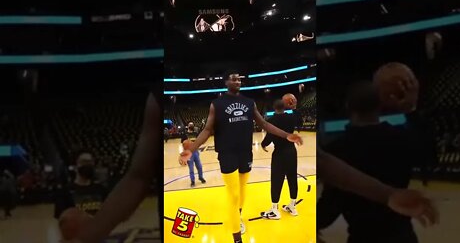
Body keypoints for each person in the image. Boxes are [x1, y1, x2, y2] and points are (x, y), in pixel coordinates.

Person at [65, 78, 438, 243]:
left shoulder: (252, 107)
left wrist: (387, 193)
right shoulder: (189, 100)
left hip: (242, 166)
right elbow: (137, 177)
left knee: (240, 204)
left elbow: (316, 158)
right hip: (222, 171)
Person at [178, 71, 303, 243]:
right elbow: (207, 130)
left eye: (239, 78)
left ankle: (238, 218)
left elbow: (265, 124)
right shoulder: (217, 104)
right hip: (227, 153)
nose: (238, 81)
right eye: (233, 78)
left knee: (242, 193)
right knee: (233, 195)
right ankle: (236, 237)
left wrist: (286, 135)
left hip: (246, 153)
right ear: (226, 82)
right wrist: (191, 149)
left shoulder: (249, 102)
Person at [317, 81, 421, 243]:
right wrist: (411, 107)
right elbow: (428, 154)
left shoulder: (338, 149)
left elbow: (332, 204)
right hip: (403, 235)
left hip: (363, 236)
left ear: (348, 106)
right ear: (380, 105)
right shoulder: (402, 138)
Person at [260, 99, 300, 219]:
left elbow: (269, 137)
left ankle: (274, 210)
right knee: (292, 178)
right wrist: (294, 107)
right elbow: (299, 121)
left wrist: (263, 144)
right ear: (285, 107)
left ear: (274, 108)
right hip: (292, 152)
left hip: (279, 153)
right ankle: (292, 206)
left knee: (276, 180)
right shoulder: (291, 118)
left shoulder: (271, 121)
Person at [54, 152, 107, 219]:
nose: (88, 165)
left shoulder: (101, 189)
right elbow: (61, 219)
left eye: (90, 162)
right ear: (75, 166)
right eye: (84, 162)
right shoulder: (64, 192)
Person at [181, 122, 206, 187]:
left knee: (199, 167)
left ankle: (201, 177)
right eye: (190, 125)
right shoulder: (184, 135)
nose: (191, 126)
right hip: (189, 153)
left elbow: (199, 141)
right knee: (191, 169)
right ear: (188, 126)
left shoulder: (196, 134)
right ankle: (192, 181)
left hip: (195, 152)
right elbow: (183, 144)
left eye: (192, 125)